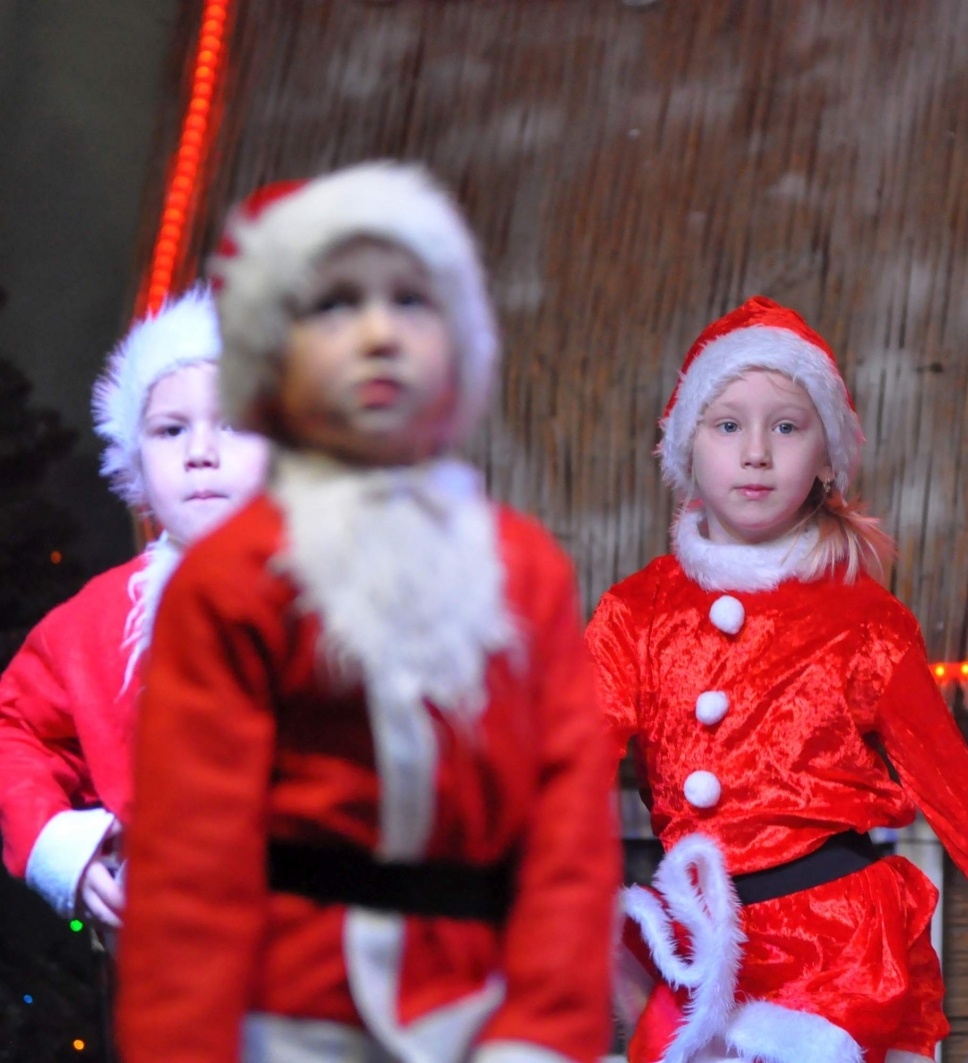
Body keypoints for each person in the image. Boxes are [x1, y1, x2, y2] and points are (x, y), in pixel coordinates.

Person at [115, 162, 619, 1063]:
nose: (379, 333)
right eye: (335, 305)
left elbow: (569, 838)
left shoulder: (522, 571)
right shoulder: (233, 580)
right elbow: (189, 864)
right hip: (290, 1020)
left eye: (412, 301)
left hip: (484, 1017)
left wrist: (544, 1032)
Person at [587, 295, 968, 1063]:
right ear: (685, 449)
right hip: (698, 961)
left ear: (827, 458)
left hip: (841, 954)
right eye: (727, 423)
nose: (756, 451)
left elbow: (965, 806)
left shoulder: (866, 623)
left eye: (787, 426)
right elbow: (564, 772)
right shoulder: (634, 612)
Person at [0, 288, 267, 927]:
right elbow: (15, 729)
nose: (201, 450)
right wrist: (64, 849)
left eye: (232, 422)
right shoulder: (98, 622)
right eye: (171, 429)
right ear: (137, 464)